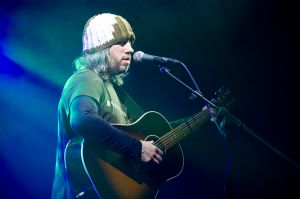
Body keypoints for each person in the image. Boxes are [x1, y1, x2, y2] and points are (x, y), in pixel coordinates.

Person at [51, 13, 164, 199]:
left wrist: (205, 116)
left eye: (130, 42)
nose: (130, 49)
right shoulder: (86, 78)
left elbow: (148, 134)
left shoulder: (115, 91)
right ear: (101, 49)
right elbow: (83, 120)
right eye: (121, 43)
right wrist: (137, 148)